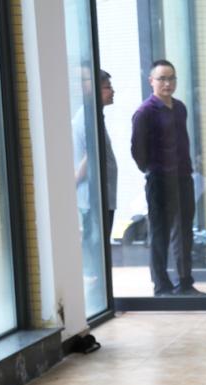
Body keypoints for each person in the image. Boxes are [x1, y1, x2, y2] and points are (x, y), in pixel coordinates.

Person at [131, 60, 206, 296]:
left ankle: (184, 282)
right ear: (151, 81)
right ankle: (161, 285)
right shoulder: (144, 112)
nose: (167, 83)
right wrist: (152, 169)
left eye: (171, 78)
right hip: (158, 179)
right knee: (160, 233)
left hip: (183, 177)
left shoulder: (180, 107)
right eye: (162, 78)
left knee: (184, 231)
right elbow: (137, 150)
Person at [73, 69, 117, 265]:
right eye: (107, 87)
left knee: (99, 244)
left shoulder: (95, 115)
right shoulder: (88, 116)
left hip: (101, 194)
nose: (112, 91)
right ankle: (93, 280)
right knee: (94, 246)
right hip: (93, 196)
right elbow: (90, 154)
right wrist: (75, 181)